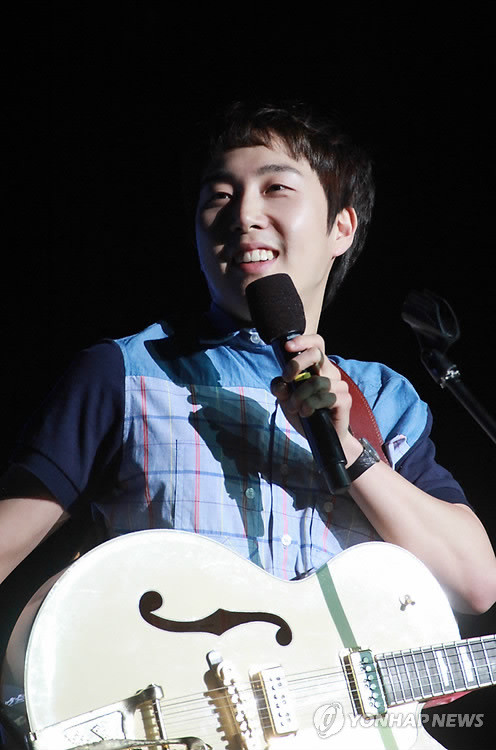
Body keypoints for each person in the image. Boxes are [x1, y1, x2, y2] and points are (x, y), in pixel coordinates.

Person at [1, 101, 496, 748]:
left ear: (341, 226)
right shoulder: (125, 372)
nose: (244, 214)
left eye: (276, 188)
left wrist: (348, 448)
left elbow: (474, 582)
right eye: (219, 196)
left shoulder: (382, 397)